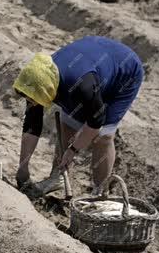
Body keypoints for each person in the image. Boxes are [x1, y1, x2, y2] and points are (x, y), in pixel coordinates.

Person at [12, 36, 143, 195]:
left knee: (103, 137)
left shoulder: (81, 86)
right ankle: (57, 178)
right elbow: (32, 125)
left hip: (124, 74)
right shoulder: (37, 80)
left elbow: (96, 122)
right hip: (91, 63)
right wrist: (23, 168)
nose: (32, 102)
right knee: (68, 124)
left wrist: (73, 150)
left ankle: (100, 193)